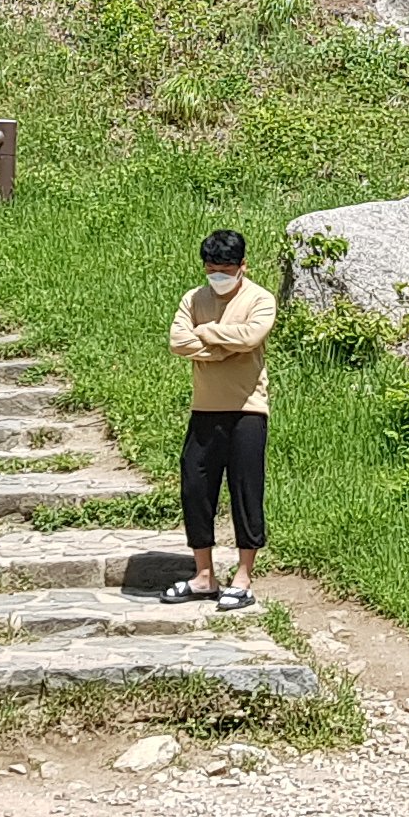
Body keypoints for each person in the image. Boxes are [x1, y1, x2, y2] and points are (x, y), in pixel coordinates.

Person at [163, 229, 277, 611]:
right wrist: (224, 349)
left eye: (226, 270)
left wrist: (207, 334)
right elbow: (179, 342)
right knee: (195, 487)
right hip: (204, 408)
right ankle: (203, 576)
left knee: (246, 490)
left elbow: (251, 336)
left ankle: (243, 577)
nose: (218, 276)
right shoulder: (193, 298)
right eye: (212, 269)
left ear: (243, 266)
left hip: (248, 409)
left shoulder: (260, 299)